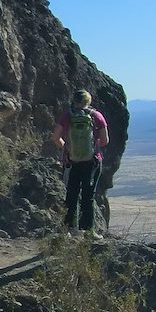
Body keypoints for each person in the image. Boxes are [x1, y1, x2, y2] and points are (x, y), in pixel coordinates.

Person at [52, 89, 110, 233]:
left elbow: (55, 137)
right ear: (88, 101)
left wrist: (68, 148)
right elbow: (104, 140)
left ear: (74, 100)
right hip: (92, 161)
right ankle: (87, 232)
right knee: (88, 196)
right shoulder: (97, 116)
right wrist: (92, 145)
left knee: (71, 195)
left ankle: (69, 230)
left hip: (72, 161)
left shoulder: (67, 116)